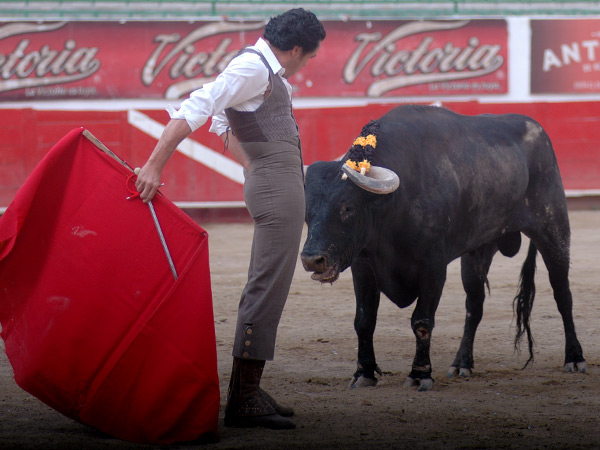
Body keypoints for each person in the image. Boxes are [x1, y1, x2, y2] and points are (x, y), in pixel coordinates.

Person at [135, 8, 326, 430]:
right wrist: (153, 165)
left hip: (274, 181)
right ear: (295, 49)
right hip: (277, 190)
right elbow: (198, 107)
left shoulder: (257, 67)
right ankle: (243, 397)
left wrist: (254, 166)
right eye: (309, 57)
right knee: (268, 284)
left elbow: (222, 120)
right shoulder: (253, 69)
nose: (307, 64)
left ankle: (249, 389)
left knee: (269, 282)